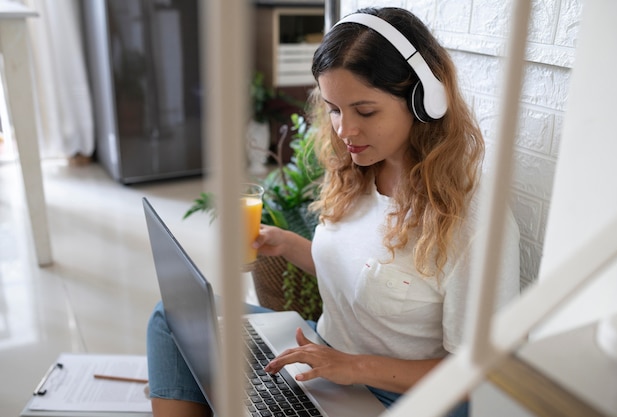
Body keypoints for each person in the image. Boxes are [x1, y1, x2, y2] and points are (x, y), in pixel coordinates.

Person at [146, 6, 520, 417]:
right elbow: (363, 281)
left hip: (400, 399)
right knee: (171, 320)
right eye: (334, 109)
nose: (344, 130)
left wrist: (352, 366)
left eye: (365, 111)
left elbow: (478, 372)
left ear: (423, 102)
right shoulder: (357, 172)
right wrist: (287, 244)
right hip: (326, 363)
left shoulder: (475, 224)